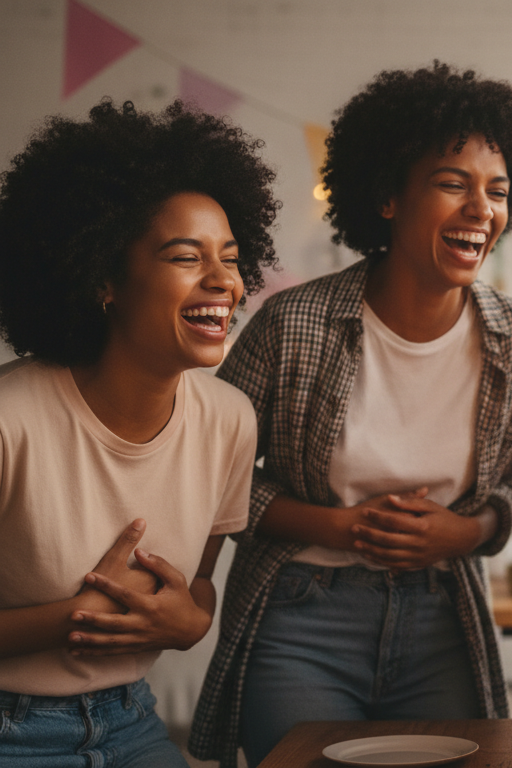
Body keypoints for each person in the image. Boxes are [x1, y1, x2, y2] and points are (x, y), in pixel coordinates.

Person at [190, 63, 512, 766]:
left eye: (498, 192)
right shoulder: (292, 323)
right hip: (302, 615)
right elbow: (209, 475)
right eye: (454, 183)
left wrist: (463, 530)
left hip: (443, 616)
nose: (482, 208)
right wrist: (339, 525)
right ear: (387, 195)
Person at [0, 100, 275, 766]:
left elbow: (197, 589)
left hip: (129, 721)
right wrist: (71, 619)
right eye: (187, 257)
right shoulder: (11, 420)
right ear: (104, 280)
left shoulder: (230, 419)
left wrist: (194, 622)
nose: (223, 282)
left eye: (231, 259)